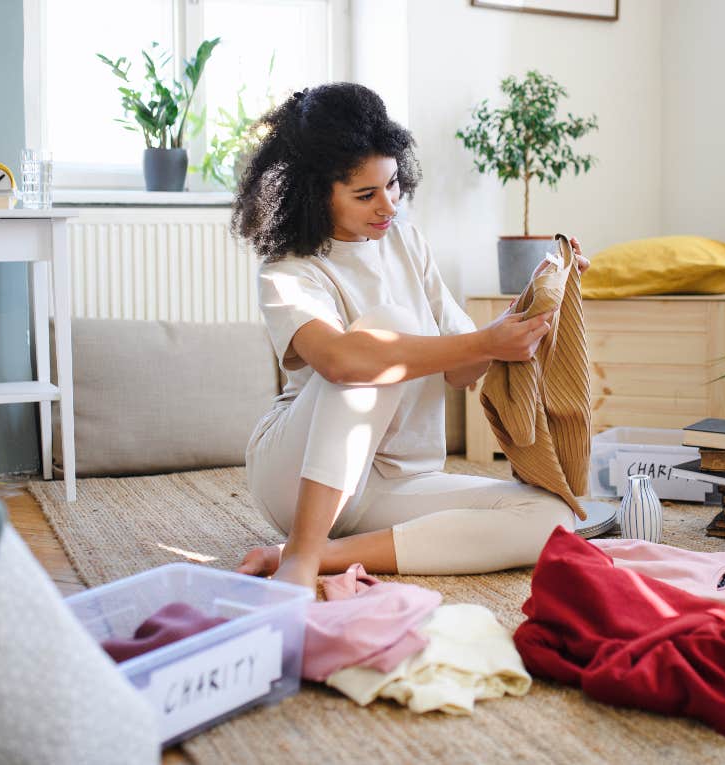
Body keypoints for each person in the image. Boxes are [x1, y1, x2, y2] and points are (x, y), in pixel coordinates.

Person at [230, 82, 589, 589]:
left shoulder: (407, 242)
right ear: (314, 193)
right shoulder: (288, 270)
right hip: (297, 479)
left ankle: (319, 554)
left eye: (394, 184)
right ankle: (302, 555)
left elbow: (463, 366)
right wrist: (484, 342)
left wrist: (530, 308)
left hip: (399, 480)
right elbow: (340, 361)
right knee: (383, 334)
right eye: (365, 194)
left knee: (553, 519)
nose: (389, 206)